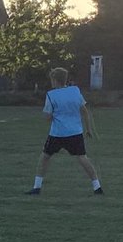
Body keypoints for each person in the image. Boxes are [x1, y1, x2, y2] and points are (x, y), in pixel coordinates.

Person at [27, 67, 104, 196]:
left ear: (55, 80)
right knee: (82, 158)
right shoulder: (75, 91)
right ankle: (97, 186)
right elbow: (84, 111)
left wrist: (53, 115)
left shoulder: (51, 95)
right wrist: (89, 129)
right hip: (75, 132)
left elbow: (47, 117)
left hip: (57, 133)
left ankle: (36, 187)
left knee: (45, 157)